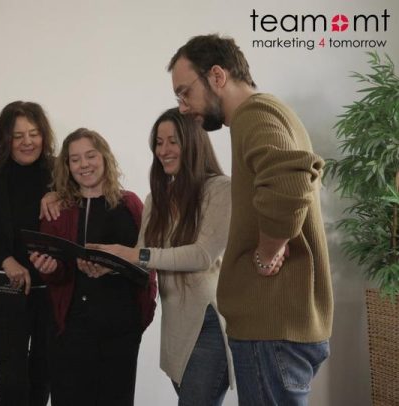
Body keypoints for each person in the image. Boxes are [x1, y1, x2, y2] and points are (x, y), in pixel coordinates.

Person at [167, 34, 333, 405]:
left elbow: (290, 182)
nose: (182, 107)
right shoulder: (267, 113)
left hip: (270, 326)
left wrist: (267, 251)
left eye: (185, 92)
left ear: (217, 76)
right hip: (278, 329)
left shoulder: (254, 114)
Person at [90, 108, 234, 405]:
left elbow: (202, 255)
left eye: (172, 141)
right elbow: (143, 263)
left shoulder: (220, 189)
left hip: (206, 323)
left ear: (193, 143)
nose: (163, 150)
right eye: (158, 142)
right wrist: (109, 264)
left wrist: (133, 254)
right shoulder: (156, 199)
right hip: (174, 329)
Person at [29, 128, 157, 406]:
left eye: (90, 156)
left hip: (121, 326)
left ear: (104, 158)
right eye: (75, 159)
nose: (84, 164)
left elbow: (149, 262)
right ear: (67, 166)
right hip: (72, 328)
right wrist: (49, 269)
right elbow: (58, 274)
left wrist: (113, 267)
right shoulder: (57, 208)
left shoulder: (131, 204)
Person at [0, 101, 56, 405]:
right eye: (18, 136)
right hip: (7, 292)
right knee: (13, 384)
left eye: (34, 133)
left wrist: (59, 192)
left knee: (43, 379)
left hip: (52, 294)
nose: (27, 142)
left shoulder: (60, 174)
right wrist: (7, 261)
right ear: (4, 139)